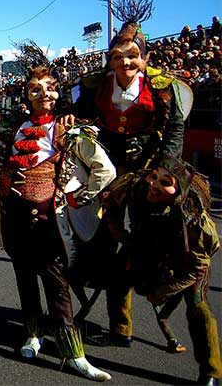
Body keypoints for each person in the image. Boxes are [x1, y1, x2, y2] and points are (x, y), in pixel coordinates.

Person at [0, 59, 115, 380]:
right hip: (15, 219)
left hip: (49, 223)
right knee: (24, 277)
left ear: (58, 93)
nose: (44, 94)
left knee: (56, 284)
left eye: (50, 88)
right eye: (36, 89)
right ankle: (32, 335)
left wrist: (78, 198)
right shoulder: (14, 128)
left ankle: (73, 352)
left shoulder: (69, 130)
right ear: (27, 95)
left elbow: (105, 169)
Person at [71, 0, 188, 348]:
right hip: (106, 168)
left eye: (133, 56)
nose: (126, 62)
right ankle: (119, 324)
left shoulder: (164, 88)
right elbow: (81, 119)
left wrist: (165, 168)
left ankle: (169, 290)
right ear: (110, 59)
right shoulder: (93, 87)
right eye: (119, 56)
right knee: (105, 242)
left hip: (148, 168)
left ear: (145, 59)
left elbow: (175, 128)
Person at [101, 158, 220, 386]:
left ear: (178, 191)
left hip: (186, 260)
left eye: (165, 182)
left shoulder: (192, 215)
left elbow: (199, 266)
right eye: (154, 176)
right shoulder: (135, 185)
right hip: (147, 245)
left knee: (198, 307)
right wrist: (124, 239)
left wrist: (165, 291)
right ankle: (120, 332)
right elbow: (112, 206)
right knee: (118, 273)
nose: (154, 184)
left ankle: (211, 370)